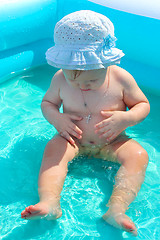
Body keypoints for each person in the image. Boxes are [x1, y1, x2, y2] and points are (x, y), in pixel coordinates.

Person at [21, 10, 150, 236]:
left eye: (91, 79)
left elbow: (142, 104)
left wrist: (126, 118)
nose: (81, 85)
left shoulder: (120, 78)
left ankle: (117, 210)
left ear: (106, 62)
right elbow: (47, 103)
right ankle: (49, 202)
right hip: (73, 140)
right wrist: (57, 118)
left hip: (113, 141)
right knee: (53, 149)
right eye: (73, 78)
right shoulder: (61, 77)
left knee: (138, 156)